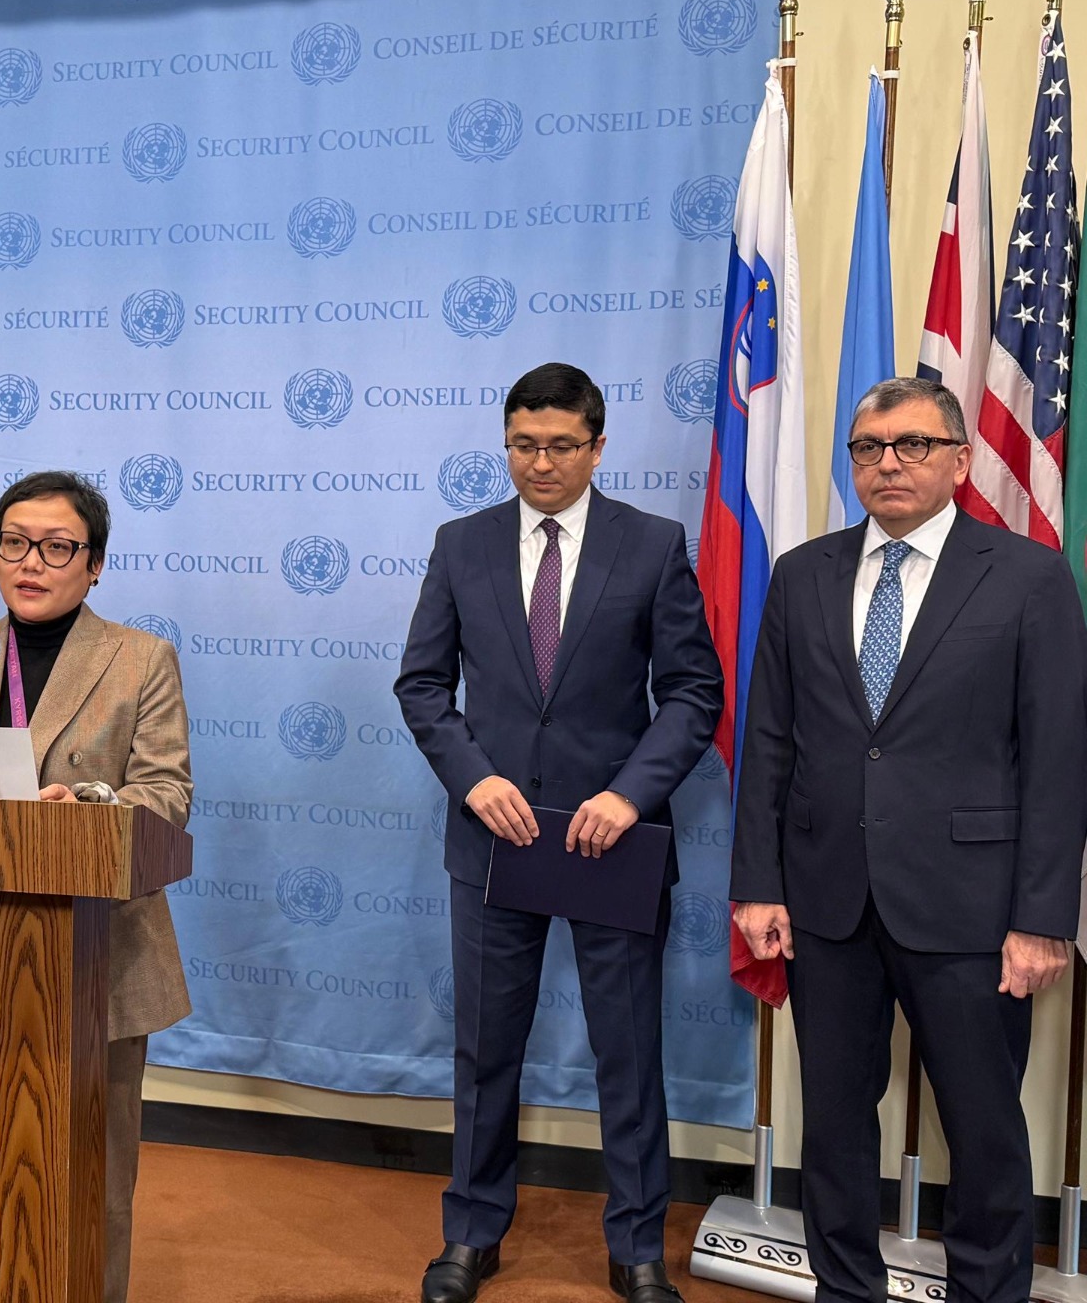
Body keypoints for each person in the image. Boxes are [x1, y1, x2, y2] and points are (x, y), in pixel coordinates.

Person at [731, 377, 1087, 1303]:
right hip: (827, 903)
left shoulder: (1028, 576)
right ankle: (845, 1289)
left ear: (961, 460)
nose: (888, 463)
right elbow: (770, 741)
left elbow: (1057, 759)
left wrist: (1044, 917)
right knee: (833, 1127)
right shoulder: (802, 573)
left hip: (974, 911)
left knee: (985, 1130)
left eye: (913, 445)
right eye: (869, 448)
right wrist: (757, 884)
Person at [394, 363, 722, 1303]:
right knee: (486, 1049)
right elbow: (422, 685)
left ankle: (637, 1247)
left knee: (629, 1052)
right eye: (523, 445)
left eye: (561, 446)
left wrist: (629, 796)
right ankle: (471, 1233)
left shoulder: (652, 544)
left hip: (612, 842)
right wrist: (474, 779)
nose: (541, 463)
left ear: (598, 446)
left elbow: (693, 693)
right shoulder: (461, 544)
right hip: (495, 840)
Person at [0, 470, 191, 1303]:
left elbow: (167, 795)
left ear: (95, 564)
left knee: (90, 1171)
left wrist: (89, 805)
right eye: (14, 543)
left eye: (57, 547)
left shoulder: (139, 658)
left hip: (96, 949)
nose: (31, 562)